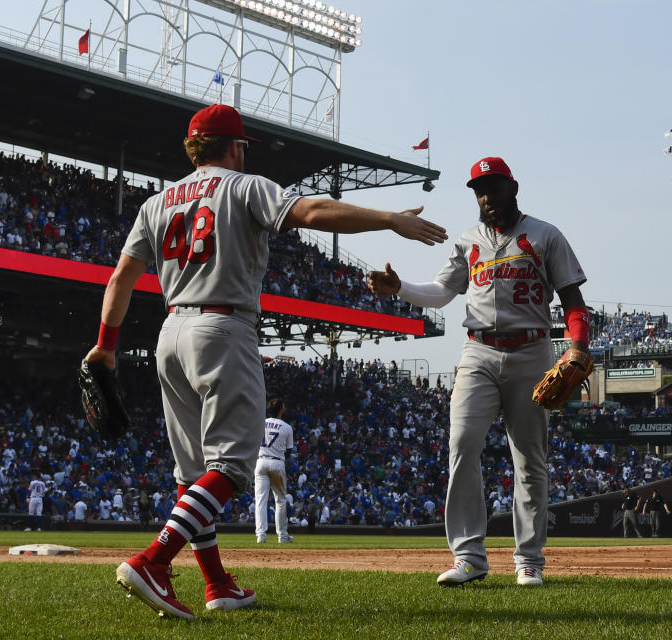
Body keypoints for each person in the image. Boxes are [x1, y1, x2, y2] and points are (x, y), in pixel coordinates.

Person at [84, 103, 446, 620]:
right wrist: (387, 220)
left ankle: (217, 585)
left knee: (194, 478)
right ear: (236, 146)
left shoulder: (156, 202)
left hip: (171, 332)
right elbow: (312, 213)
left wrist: (106, 345)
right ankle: (153, 561)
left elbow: (120, 277)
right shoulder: (244, 186)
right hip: (222, 326)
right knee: (231, 468)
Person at [368, 156, 589, 587]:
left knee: (530, 461)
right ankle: (469, 556)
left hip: (532, 351)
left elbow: (573, 300)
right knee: (462, 445)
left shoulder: (545, 235)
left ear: (514, 187)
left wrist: (577, 345)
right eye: (478, 190)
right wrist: (401, 289)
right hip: (478, 353)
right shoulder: (468, 241)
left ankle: (528, 560)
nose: (486, 197)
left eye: (493, 187)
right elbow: (440, 293)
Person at [254, 398, 295, 543]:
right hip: (276, 463)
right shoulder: (286, 427)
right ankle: (282, 536)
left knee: (260, 501)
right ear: (281, 409)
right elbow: (289, 452)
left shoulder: (260, 423)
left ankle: (261, 535)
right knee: (281, 500)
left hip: (260, 461)